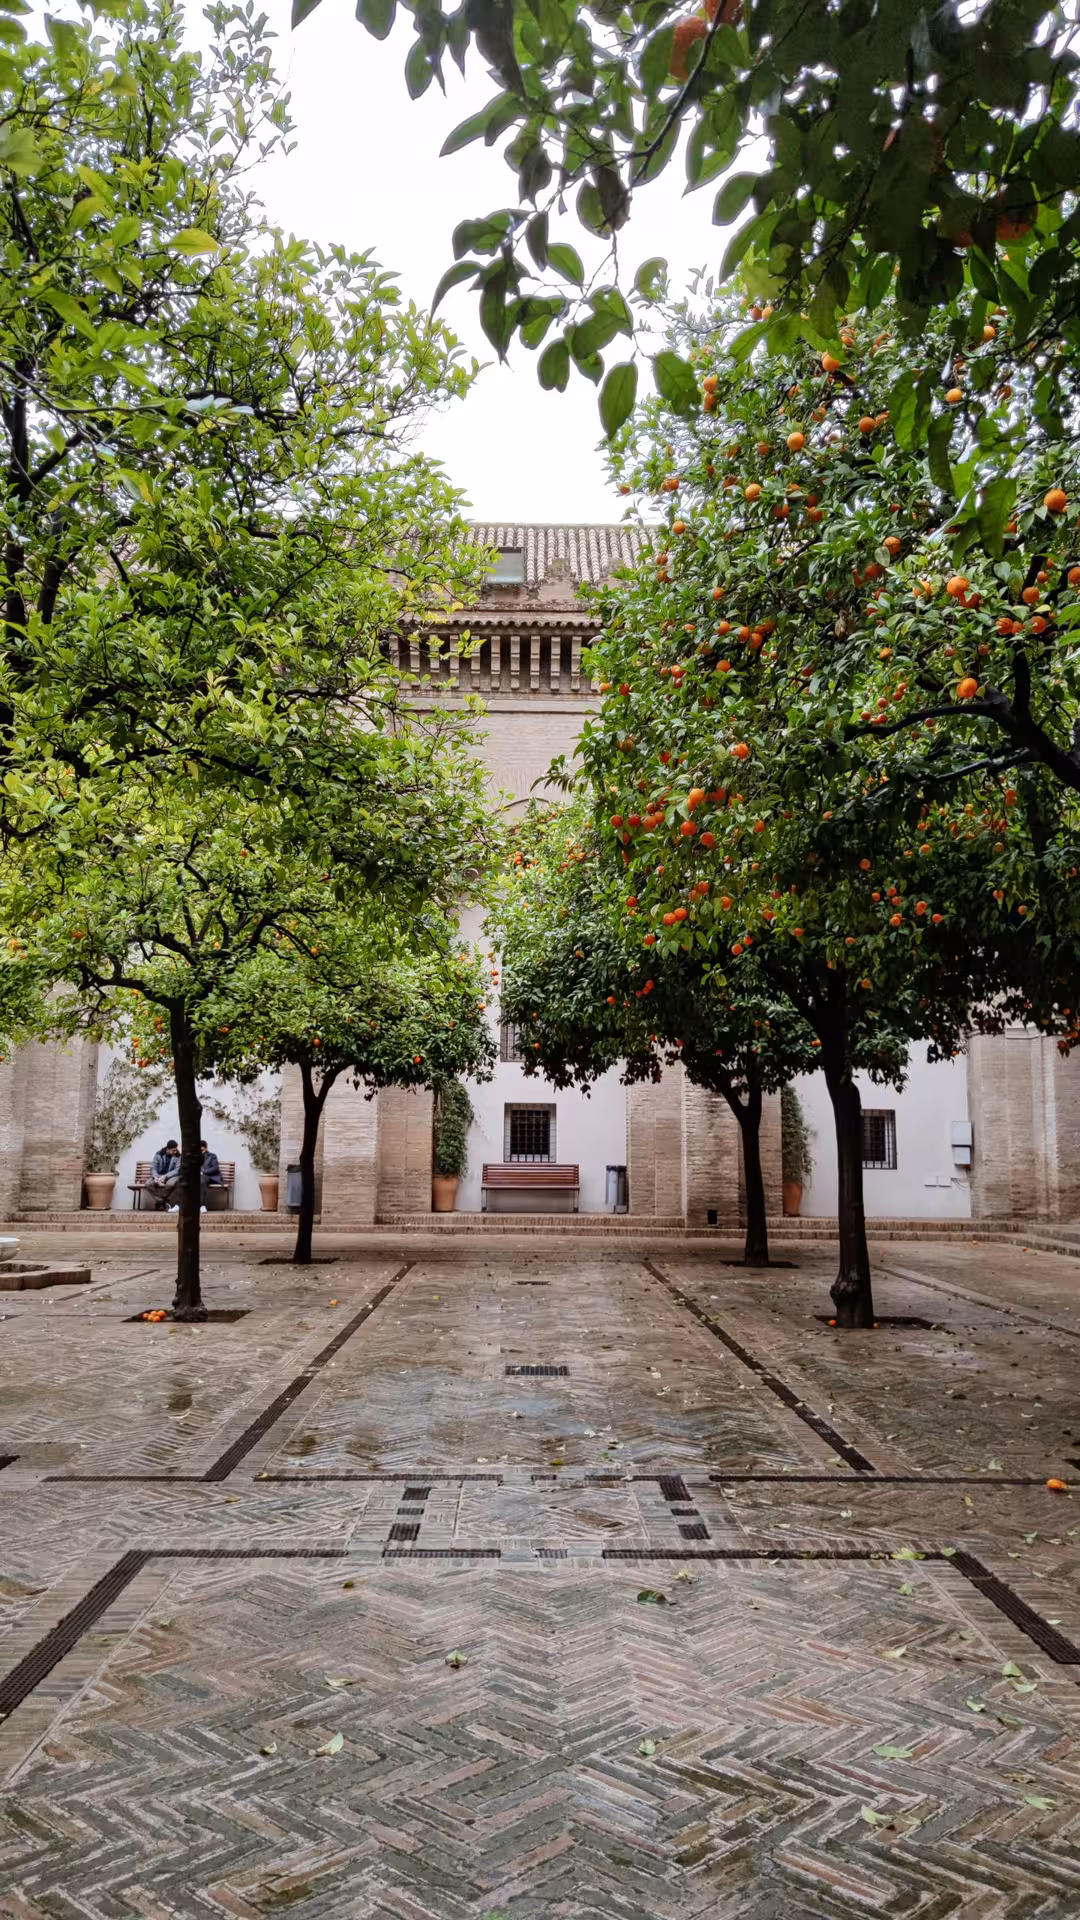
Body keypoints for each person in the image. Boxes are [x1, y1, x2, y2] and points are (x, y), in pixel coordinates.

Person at [145, 1140, 180, 1211]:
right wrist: (155, 1177)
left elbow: (177, 1170)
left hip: (171, 1176)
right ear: (168, 1149)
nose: (175, 1152)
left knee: (170, 1184)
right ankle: (162, 1202)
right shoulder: (159, 1154)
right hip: (159, 1175)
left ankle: (159, 1202)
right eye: (173, 1150)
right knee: (148, 1184)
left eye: (175, 1150)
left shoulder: (178, 1156)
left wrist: (165, 1176)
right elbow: (154, 1167)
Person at [200, 1141, 224, 1211]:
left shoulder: (212, 1156)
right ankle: (182, 1206)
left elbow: (215, 1168)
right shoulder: (195, 1157)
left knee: (202, 1181)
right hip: (197, 1176)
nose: (201, 1152)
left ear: (205, 1148)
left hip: (209, 1176)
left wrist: (203, 1172)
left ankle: (202, 1205)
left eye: (202, 1150)